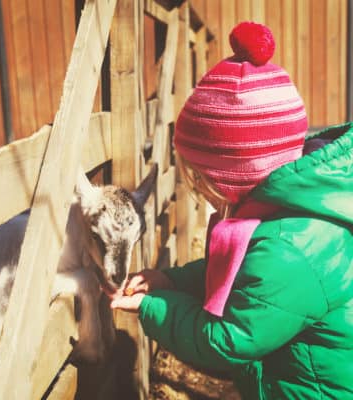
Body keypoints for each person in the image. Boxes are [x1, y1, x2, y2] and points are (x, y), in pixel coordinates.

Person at [110, 21, 353, 399]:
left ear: (234, 175)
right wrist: (172, 282)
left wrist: (152, 307)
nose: (198, 191)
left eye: (201, 179)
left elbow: (227, 341)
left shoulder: (289, 247)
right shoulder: (278, 214)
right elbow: (246, 280)